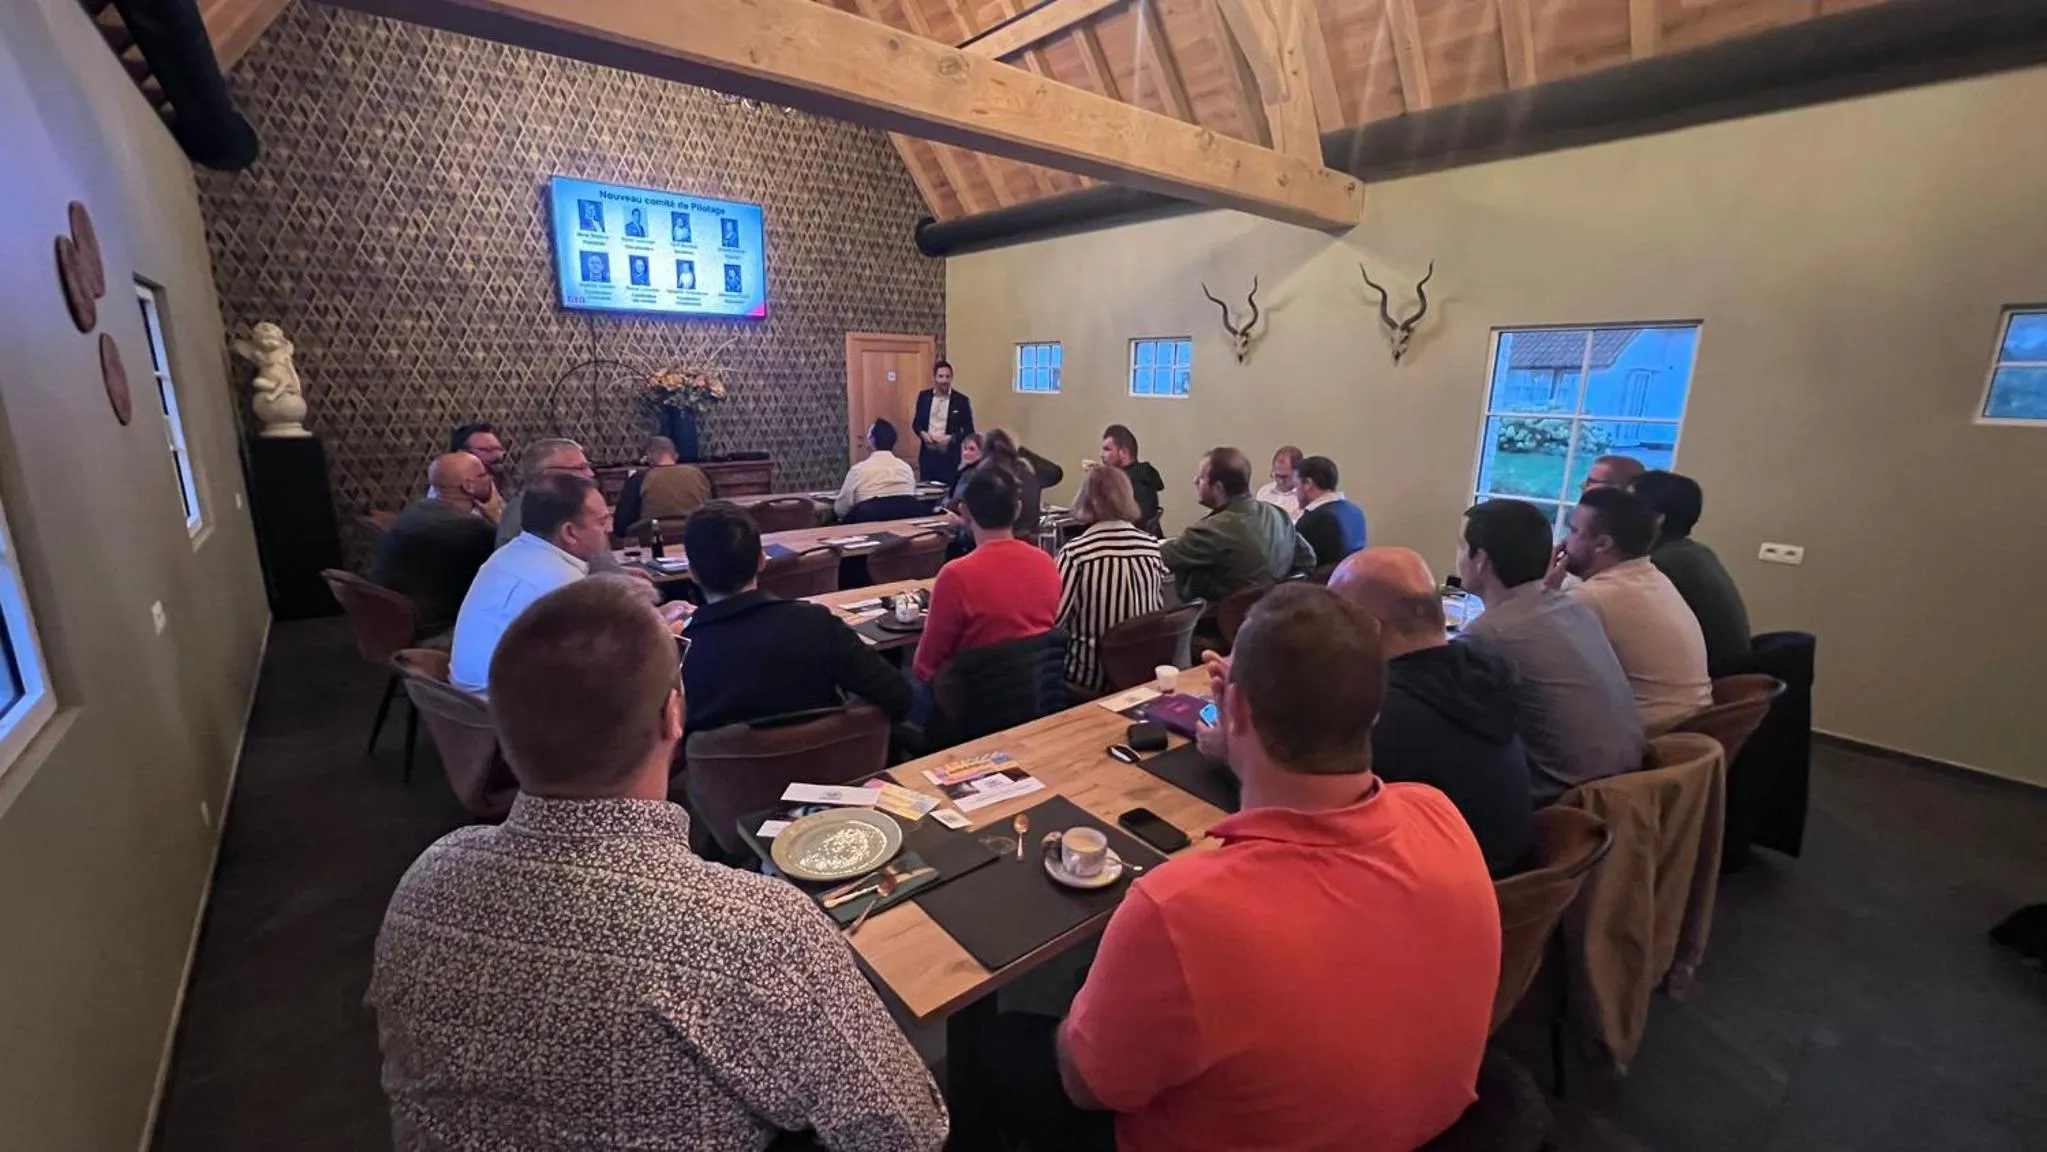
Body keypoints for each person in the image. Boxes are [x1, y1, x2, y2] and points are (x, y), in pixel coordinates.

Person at [369, 579, 947, 1151]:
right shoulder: (758, 929)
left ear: (503, 732)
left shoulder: (425, 880)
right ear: (674, 715)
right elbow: (907, 1131)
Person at [1044, 585, 1498, 1152]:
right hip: (1423, 1129)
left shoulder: (1179, 908)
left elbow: (1087, 1086)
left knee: (1011, 1045)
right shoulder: (1439, 813)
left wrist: (1085, 1009)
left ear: (1233, 709)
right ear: (1374, 708)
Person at [1327, 548, 1532, 875]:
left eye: (1333, 618)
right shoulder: (1483, 677)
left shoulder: (1380, 715)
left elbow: (1310, 820)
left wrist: (1235, 749)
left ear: (1369, 629)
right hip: (1502, 890)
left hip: (1421, 903)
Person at [1457, 499, 1645, 804]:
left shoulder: (1486, 635)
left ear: (1481, 560)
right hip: (1626, 786)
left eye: (1462, 547)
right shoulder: (1572, 607)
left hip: (1562, 804)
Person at [679, 502, 911, 731]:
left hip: (722, 769)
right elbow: (898, 695)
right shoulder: (817, 623)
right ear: (762, 561)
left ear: (693, 573)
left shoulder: (679, 654)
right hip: (831, 765)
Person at [1560, 487, 1714, 733]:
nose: (1565, 541)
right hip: (1690, 725)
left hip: (1652, 736)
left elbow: (1543, 667)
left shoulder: (1594, 597)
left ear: (1602, 544)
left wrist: (1543, 590)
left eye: (1574, 531)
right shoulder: (1653, 576)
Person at [449, 473, 613, 693]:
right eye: (602, 521)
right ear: (570, 532)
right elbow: (593, 665)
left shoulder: (508, 554)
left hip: (461, 701)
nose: (609, 529)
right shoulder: (563, 584)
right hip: (503, 713)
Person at [912, 466, 1060, 684]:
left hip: (971, 702)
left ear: (965, 513)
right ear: (1018, 509)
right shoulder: (1047, 563)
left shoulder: (955, 576)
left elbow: (925, 667)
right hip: (1036, 693)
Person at [1056, 466, 1167, 693]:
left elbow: (1055, 622)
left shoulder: (1076, 554)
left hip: (1090, 679)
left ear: (1087, 501)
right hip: (1142, 673)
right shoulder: (1151, 546)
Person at [1630, 470, 1753, 670]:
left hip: (1708, 683)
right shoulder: (1695, 553)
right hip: (1728, 676)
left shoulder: (1659, 566)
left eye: (1628, 506)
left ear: (1657, 519)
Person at [1160, 447, 1315, 604]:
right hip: (1270, 615)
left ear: (1218, 488)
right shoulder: (1278, 514)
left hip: (1215, 621)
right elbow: (1308, 560)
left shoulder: (1213, 529)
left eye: (1201, 478)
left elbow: (1157, 556)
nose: (1195, 481)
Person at [369, 453, 498, 640]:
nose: (491, 478)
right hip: (435, 627)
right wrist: (496, 518)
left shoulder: (416, 509)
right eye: (484, 474)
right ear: (468, 487)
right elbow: (509, 562)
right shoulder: (471, 528)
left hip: (391, 617)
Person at [494, 437, 634, 577]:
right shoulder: (524, 515)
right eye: (580, 468)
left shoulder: (568, 503)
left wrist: (621, 574)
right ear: (547, 474)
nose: (590, 474)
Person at [613, 435, 713, 533]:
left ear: (648, 457)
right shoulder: (700, 474)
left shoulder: (640, 478)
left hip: (652, 539)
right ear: (676, 456)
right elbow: (716, 511)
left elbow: (621, 524)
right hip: (696, 534)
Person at [978, 428, 1064, 539]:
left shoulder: (990, 475)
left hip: (1005, 539)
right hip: (1031, 539)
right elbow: (1055, 473)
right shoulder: (1028, 469)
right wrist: (1020, 450)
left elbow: (985, 525)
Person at [832, 420, 919, 521]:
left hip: (864, 528)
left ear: (871, 441)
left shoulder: (858, 471)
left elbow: (840, 509)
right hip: (905, 529)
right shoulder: (906, 468)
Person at [1293, 455, 1368, 568]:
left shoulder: (1315, 521)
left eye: (1296, 485)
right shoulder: (1355, 511)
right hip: (1352, 580)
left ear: (1308, 484)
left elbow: (1297, 564)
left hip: (1320, 583)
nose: (1294, 491)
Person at [912, 360, 974, 488]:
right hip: (928, 455)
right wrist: (923, 434)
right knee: (927, 491)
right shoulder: (924, 397)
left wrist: (952, 438)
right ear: (934, 377)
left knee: (948, 492)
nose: (944, 380)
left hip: (950, 457)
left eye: (947, 376)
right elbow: (916, 423)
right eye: (941, 376)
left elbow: (969, 429)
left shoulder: (961, 400)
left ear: (952, 378)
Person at [1099, 424, 1165, 528]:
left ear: (1124, 452)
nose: (1101, 455)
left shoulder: (1140, 482)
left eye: (1107, 449)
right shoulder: (1132, 477)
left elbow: (1135, 521)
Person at [450, 421, 508, 523]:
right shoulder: (448, 492)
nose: (497, 456)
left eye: (499, 450)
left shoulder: (492, 485)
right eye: (487, 450)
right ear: (462, 454)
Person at [1254, 445, 1304, 521]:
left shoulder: (1303, 497)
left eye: (1284, 477)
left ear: (1297, 472)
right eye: (1277, 475)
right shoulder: (1264, 492)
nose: (1280, 481)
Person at [941, 432, 983, 512]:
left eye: (972, 449)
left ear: (982, 452)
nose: (966, 453)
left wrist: (945, 503)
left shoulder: (976, 474)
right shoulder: (963, 471)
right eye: (965, 449)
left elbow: (959, 501)